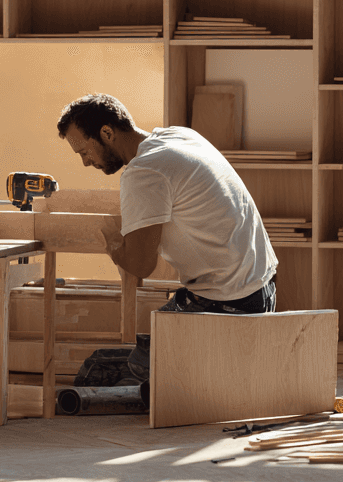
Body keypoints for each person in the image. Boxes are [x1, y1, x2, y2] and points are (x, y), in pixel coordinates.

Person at [56, 93, 277, 384]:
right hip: (263, 287)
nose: (86, 163)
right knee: (146, 351)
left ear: (107, 133)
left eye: (84, 152)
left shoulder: (144, 172)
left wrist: (111, 243)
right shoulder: (180, 137)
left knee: (119, 370)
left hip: (229, 304)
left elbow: (140, 265)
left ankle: (205, 378)